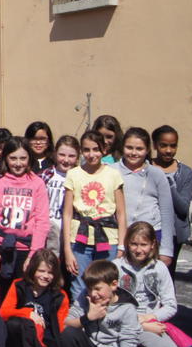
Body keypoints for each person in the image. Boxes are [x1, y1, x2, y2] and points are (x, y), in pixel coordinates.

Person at [55, 259, 139, 347]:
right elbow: (66, 322)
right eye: (89, 288)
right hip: (90, 346)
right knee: (69, 333)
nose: (93, 294)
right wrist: (87, 318)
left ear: (113, 284)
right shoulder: (86, 296)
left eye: (98, 289)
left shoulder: (127, 309)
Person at [114, 223, 186, 347]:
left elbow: (170, 305)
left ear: (152, 244)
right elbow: (108, 305)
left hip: (151, 322)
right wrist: (136, 322)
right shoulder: (117, 267)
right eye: (134, 244)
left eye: (143, 245)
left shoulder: (160, 268)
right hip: (123, 325)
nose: (138, 250)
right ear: (127, 243)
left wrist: (150, 317)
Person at [62, 131, 127, 303]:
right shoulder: (73, 174)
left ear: (104, 149)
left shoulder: (113, 174)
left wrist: (121, 246)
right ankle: (81, 324)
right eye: (87, 150)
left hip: (108, 239)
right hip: (79, 239)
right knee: (79, 284)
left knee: (105, 284)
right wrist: (67, 249)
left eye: (96, 149)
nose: (91, 155)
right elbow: (67, 213)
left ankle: (104, 324)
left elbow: (120, 213)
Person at [0, 137, 50, 302]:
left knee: (24, 295)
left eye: (23, 158)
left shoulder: (37, 184)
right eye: (13, 158)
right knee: (3, 295)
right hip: (2, 249)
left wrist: (33, 255)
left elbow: (42, 221)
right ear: (6, 158)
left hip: (26, 250)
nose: (18, 163)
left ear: (29, 158)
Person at [0, 249, 69, 347]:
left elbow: (61, 327)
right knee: (15, 323)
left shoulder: (60, 296)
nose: (45, 276)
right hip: (21, 338)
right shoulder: (18, 285)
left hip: (45, 339)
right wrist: (27, 313)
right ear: (33, 270)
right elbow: (3, 312)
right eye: (41, 271)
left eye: (50, 273)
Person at [115, 128, 177, 266]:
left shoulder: (157, 174)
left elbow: (167, 212)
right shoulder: (111, 171)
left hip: (150, 237)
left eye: (139, 148)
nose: (133, 153)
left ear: (148, 150)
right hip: (119, 237)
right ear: (122, 147)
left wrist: (166, 249)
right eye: (129, 147)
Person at [152, 125, 192, 272]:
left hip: (174, 233)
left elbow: (183, 207)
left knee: (167, 275)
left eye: (173, 146)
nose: (168, 150)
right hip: (148, 231)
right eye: (163, 145)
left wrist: (168, 185)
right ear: (155, 145)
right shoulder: (146, 168)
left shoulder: (185, 173)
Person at [40, 136, 80, 252]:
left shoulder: (81, 177)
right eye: (62, 155)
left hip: (72, 230)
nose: (66, 160)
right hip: (49, 229)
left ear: (78, 157)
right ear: (55, 154)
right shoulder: (45, 175)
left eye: (71, 156)